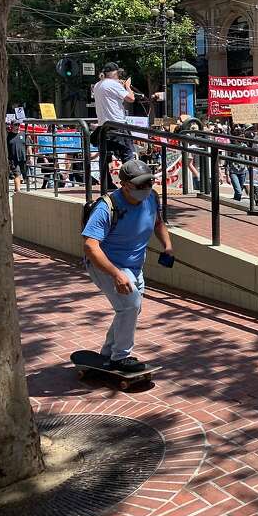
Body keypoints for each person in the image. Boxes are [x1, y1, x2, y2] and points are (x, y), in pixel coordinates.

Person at [81, 159, 172, 372]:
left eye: (149, 183)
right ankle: (120, 357)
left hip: (134, 266)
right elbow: (90, 246)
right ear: (124, 184)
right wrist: (115, 274)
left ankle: (109, 352)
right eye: (140, 184)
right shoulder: (107, 207)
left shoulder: (152, 197)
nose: (146, 188)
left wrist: (168, 246)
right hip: (107, 266)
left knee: (131, 309)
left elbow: (158, 222)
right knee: (130, 306)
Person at [92, 63, 137, 186]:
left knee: (104, 156)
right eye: (118, 73)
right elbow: (131, 98)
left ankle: (106, 183)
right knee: (127, 154)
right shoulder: (113, 84)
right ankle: (131, 183)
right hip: (118, 124)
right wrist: (127, 86)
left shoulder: (97, 85)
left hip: (103, 126)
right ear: (115, 73)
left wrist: (119, 85)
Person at [7, 122, 29, 193]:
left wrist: (30, 156)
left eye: (18, 125)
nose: (17, 126)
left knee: (25, 173)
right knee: (17, 174)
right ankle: (17, 190)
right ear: (12, 126)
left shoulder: (23, 134)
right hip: (13, 159)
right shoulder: (8, 136)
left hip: (23, 158)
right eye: (15, 125)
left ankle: (25, 186)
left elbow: (28, 146)